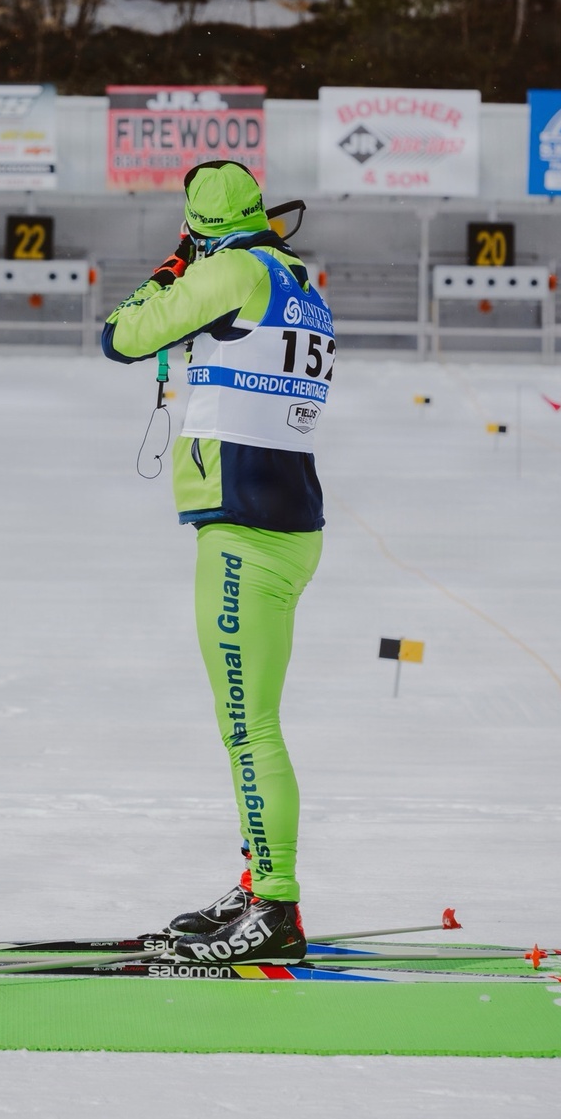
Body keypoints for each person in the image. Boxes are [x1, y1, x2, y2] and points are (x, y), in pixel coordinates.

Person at [102, 159, 333, 963]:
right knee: (248, 725)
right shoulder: (295, 274)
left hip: (247, 528)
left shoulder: (230, 269)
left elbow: (121, 336)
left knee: (250, 728)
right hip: (288, 520)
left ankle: (276, 904)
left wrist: (172, 267)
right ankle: (255, 879)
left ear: (202, 229)